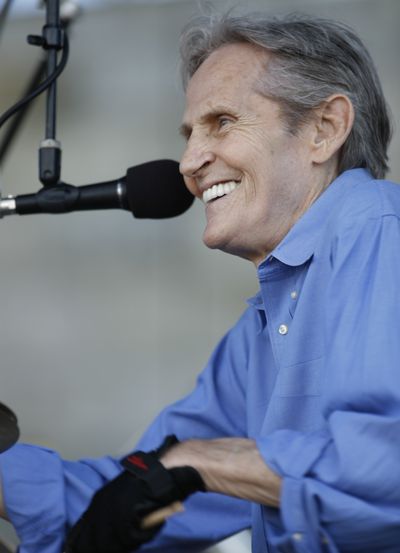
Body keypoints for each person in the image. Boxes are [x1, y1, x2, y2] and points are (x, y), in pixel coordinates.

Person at [1, 10, 400, 553]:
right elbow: (134, 498)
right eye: (189, 134)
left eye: (223, 122)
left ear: (323, 129)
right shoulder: (261, 326)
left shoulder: (376, 225)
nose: (189, 162)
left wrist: (194, 462)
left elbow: (384, 468)